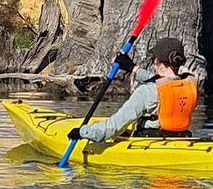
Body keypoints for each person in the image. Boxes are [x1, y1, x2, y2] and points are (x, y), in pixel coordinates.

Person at [69, 37, 198, 143]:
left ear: (158, 61)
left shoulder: (146, 92)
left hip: (150, 140)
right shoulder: (191, 83)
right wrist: (132, 68)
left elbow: (114, 126)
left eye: (153, 59)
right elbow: (164, 81)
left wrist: (82, 132)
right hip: (183, 138)